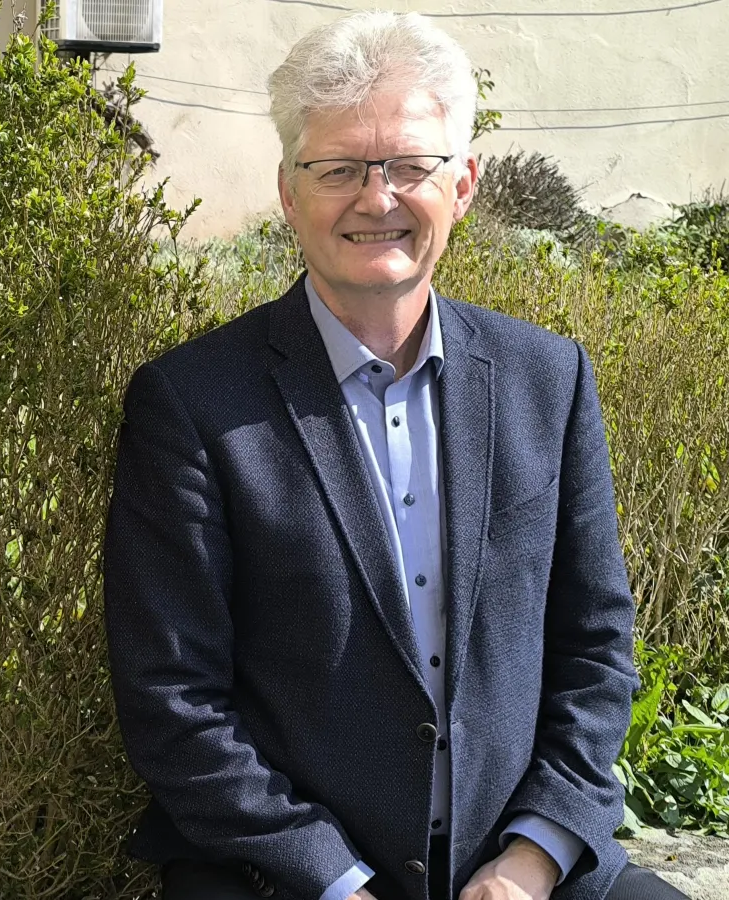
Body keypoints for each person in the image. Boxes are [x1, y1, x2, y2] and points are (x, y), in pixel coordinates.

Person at [102, 12, 687, 900]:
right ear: (290, 194)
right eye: (338, 168)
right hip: (283, 874)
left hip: (522, 864)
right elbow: (173, 700)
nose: (377, 199)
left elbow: (597, 651)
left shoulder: (549, 379)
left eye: (411, 166)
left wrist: (530, 862)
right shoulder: (192, 404)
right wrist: (335, 880)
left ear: (463, 186)